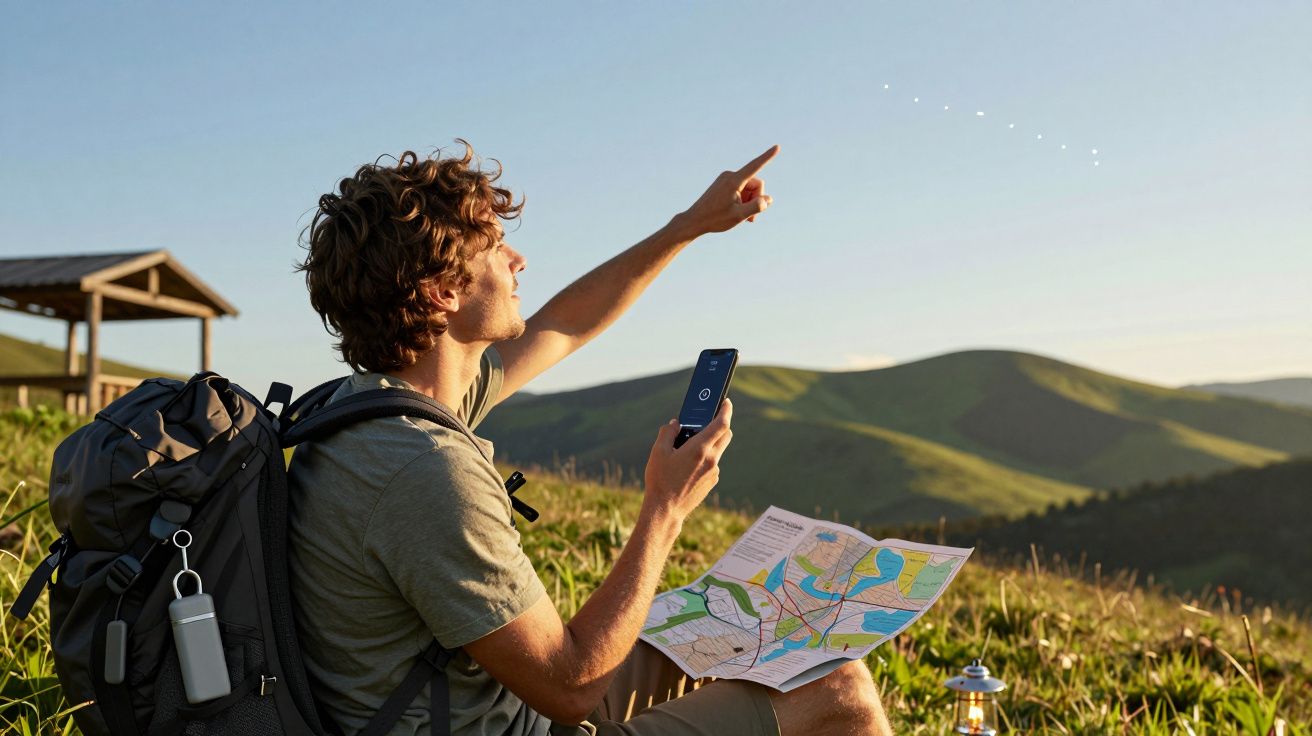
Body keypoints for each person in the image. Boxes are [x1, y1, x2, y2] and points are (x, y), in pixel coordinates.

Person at [288, 140, 893, 735]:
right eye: (495, 248)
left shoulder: (372, 413)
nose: (517, 259)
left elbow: (565, 325)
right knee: (839, 689)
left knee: (731, 631)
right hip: (530, 713)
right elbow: (570, 684)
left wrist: (690, 225)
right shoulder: (425, 470)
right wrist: (665, 507)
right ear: (442, 293)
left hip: (499, 698)